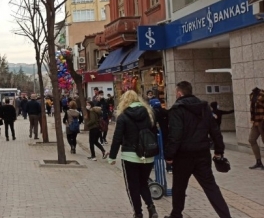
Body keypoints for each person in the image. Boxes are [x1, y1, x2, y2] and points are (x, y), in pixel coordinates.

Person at [164, 81, 231, 218]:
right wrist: (219, 150)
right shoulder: (204, 108)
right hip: (202, 154)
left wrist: (169, 155)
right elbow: (215, 130)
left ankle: (176, 214)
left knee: (179, 187)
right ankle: (226, 216)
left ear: (179, 93)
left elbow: (175, 135)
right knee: (210, 186)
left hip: (183, 156)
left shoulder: (177, 109)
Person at [107, 91, 158, 218]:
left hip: (130, 155)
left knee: (133, 186)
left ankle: (138, 213)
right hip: (148, 155)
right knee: (143, 183)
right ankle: (151, 207)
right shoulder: (149, 114)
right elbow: (154, 133)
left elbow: (117, 138)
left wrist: (112, 156)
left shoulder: (123, 116)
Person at [247, 87, 264, 170]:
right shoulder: (252, 95)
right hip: (255, 122)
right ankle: (258, 161)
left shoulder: (262, 94)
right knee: (251, 139)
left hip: (262, 121)